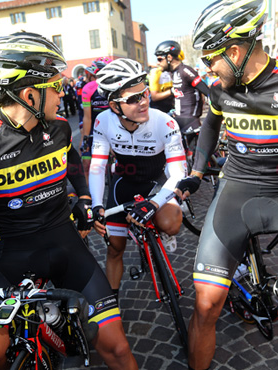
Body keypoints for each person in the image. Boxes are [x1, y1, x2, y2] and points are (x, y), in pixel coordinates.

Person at [0, 32, 138, 370]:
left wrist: (84, 197)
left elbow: (74, 164)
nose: (62, 94)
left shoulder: (58, 127)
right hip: (14, 256)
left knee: (117, 348)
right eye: (56, 86)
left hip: (67, 247)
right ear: (30, 94)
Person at [174, 1, 273, 369]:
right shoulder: (219, 89)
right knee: (206, 304)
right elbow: (211, 125)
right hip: (238, 188)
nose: (208, 68)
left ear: (233, 51)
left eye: (210, 58)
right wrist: (197, 174)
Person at [89, 58, 187, 301]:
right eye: (133, 99)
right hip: (123, 184)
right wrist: (95, 205)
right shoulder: (103, 120)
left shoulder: (164, 121)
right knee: (115, 249)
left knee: (171, 224)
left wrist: (154, 204)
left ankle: (157, 228)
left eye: (144, 93)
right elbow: (98, 166)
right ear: (114, 105)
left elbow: (178, 172)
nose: (144, 101)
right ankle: (111, 304)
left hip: (156, 184)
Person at [154, 40, 209, 133]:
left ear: (169, 57)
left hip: (190, 121)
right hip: (178, 119)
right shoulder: (173, 73)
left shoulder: (185, 71)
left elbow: (207, 92)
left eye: (160, 59)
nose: (157, 63)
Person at [81, 57, 111, 182]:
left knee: (88, 166)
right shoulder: (88, 88)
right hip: (96, 129)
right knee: (88, 164)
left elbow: (87, 117)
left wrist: (85, 139)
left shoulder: (111, 86)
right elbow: (87, 117)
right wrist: (85, 138)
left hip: (104, 129)